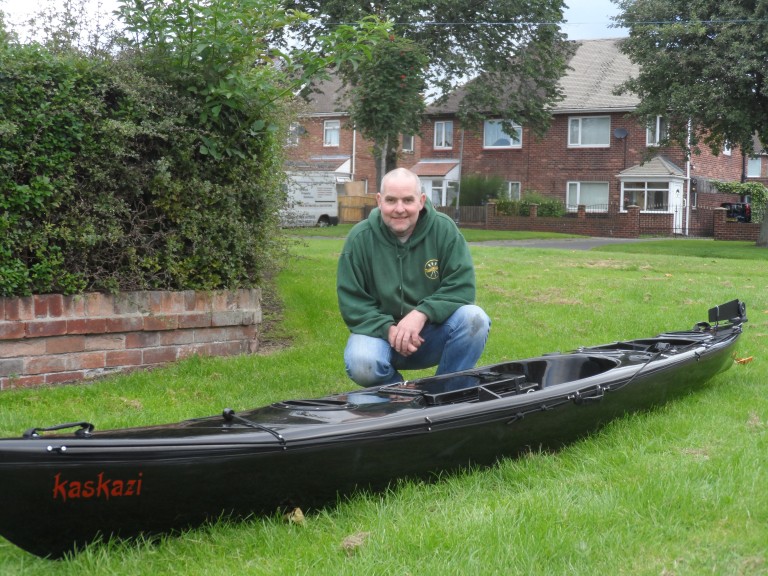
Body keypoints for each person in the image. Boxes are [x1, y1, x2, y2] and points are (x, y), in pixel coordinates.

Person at [336, 167, 491, 387]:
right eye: (391, 200)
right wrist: (389, 329)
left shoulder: (444, 230)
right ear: (379, 201)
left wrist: (421, 314)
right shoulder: (359, 239)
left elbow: (461, 288)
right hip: (380, 337)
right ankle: (400, 396)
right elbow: (353, 302)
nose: (399, 209)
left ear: (421, 200)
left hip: (429, 336)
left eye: (408, 200)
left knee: (475, 318)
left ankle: (447, 395)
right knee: (362, 362)